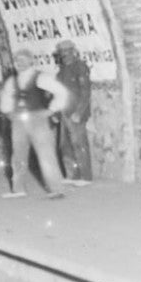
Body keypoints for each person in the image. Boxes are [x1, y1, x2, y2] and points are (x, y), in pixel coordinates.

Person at [0, 49, 70, 198]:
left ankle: (57, 190)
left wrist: (51, 110)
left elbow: (61, 92)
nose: (20, 63)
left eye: (23, 60)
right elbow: (5, 99)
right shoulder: (12, 81)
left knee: (46, 154)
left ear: (31, 61)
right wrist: (8, 112)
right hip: (19, 121)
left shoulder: (41, 77)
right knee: (18, 156)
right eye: (17, 61)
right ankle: (18, 190)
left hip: (38, 120)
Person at [54, 40, 93, 181]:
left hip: (76, 113)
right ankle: (72, 175)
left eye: (67, 51)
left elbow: (85, 92)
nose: (64, 54)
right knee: (66, 145)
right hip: (64, 112)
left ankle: (85, 176)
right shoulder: (62, 70)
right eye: (62, 52)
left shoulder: (80, 67)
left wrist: (79, 112)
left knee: (79, 144)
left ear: (73, 51)